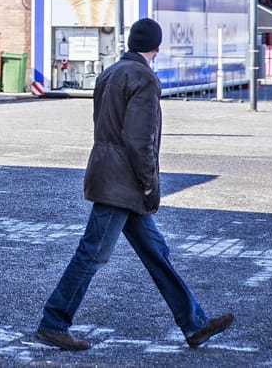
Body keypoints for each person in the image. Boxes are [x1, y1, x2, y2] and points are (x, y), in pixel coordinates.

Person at [34, 18, 234, 351]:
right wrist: (149, 184)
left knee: (157, 253)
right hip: (123, 184)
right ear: (157, 47)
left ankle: (194, 324)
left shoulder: (110, 73)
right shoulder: (143, 77)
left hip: (107, 174)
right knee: (92, 253)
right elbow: (140, 140)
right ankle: (53, 322)